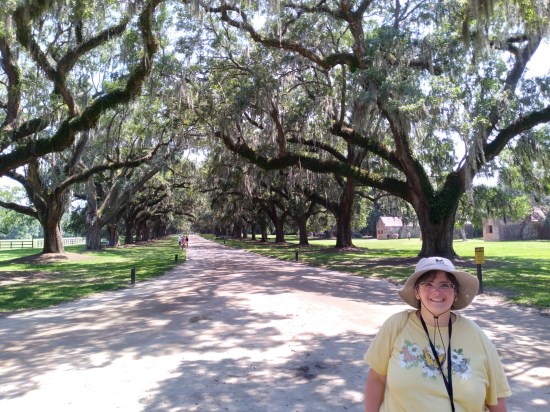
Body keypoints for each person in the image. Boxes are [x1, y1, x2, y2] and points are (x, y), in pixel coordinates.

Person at [364, 256, 511, 412]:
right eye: (428, 283)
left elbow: (497, 399)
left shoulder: (476, 335)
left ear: (455, 294)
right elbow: (376, 380)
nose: (436, 291)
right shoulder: (397, 325)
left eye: (445, 285)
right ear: (417, 292)